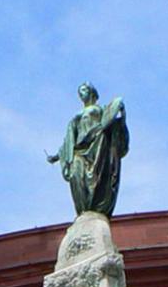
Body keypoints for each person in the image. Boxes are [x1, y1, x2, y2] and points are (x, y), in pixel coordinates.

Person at [47, 83, 129, 217]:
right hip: (79, 150)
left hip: (98, 145)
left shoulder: (101, 110)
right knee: (75, 174)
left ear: (91, 92)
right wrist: (56, 156)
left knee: (97, 178)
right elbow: (68, 142)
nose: (81, 93)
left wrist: (122, 114)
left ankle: (94, 209)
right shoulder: (77, 116)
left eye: (84, 90)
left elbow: (111, 124)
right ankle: (83, 211)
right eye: (79, 91)